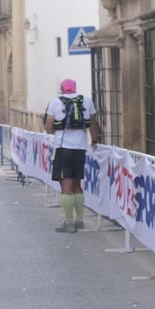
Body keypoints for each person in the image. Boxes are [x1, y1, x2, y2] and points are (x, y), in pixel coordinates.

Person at [44, 78, 99, 232]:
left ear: (62, 89)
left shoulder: (55, 102)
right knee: (77, 184)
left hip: (63, 148)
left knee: (65, 185)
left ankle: (68, 222)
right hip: (81, 148)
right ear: (75, 88)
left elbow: (49, 127)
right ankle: (80, 220)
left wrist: (55, 129)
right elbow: (93, 123)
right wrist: (94, 140)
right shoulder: (86, 100)